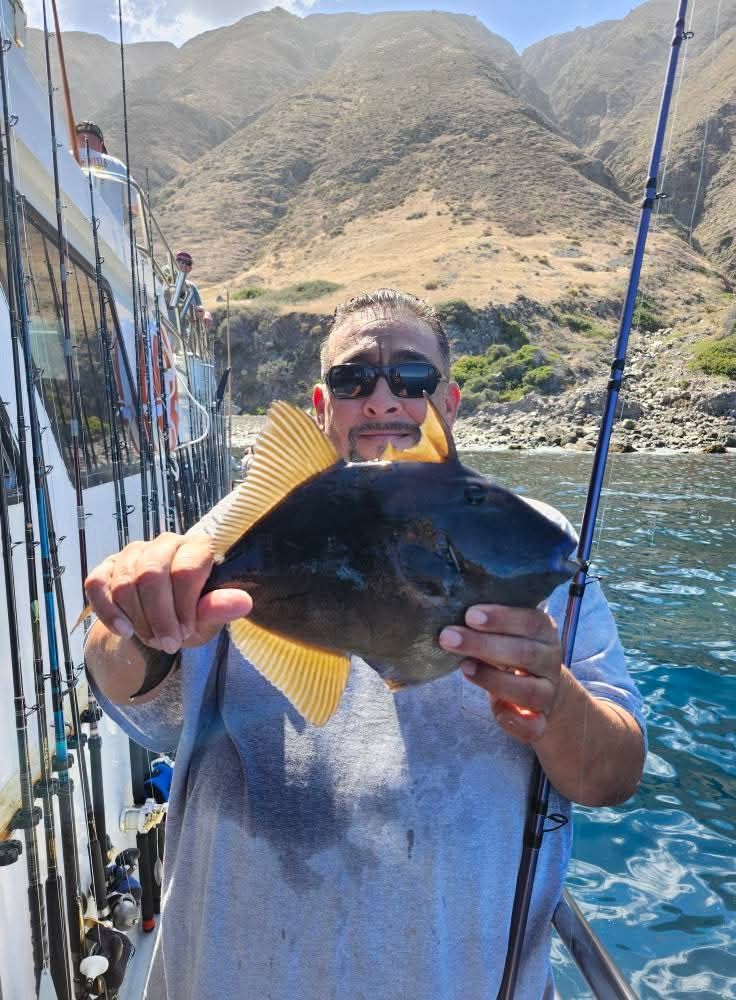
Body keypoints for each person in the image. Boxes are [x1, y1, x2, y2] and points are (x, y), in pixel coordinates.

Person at [84, 288, 646, 999]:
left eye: (412, 377)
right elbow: (127, 683)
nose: (383, 400)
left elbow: (615, 773)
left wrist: (556, 702)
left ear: (451, 400)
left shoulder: (532, 541)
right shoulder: (233, 531)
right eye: (354, 380)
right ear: (323, 406)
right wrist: (132, 616)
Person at [173, 249, 213, 330]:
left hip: (185, 331)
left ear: (190, 268)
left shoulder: (191, 287)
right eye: (180, 260)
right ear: (174, 263)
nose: (183, 265)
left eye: (188, 263)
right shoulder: (165, 279)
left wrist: (206, 314)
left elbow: (200, 307)